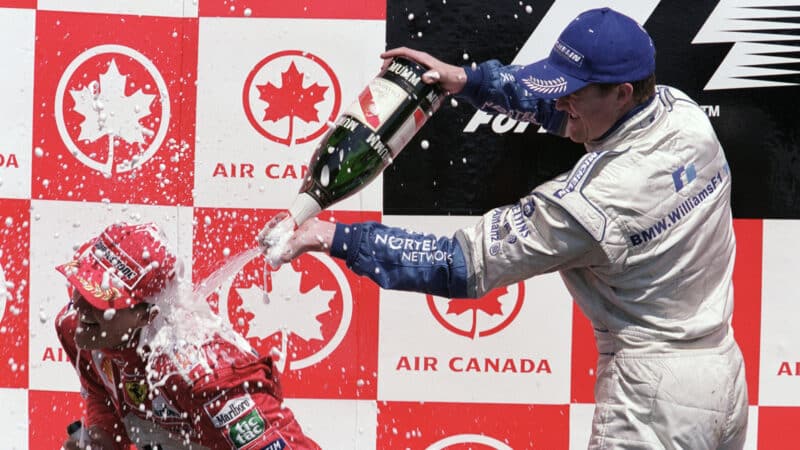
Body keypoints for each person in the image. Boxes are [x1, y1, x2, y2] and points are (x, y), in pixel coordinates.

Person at [260, 7, 748, 449]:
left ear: (621, 93)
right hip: (722, 374)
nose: (561, 104)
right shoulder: (678, 112)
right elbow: (557, 110)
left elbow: (460, 265)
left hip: (653, 401)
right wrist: (465, 80)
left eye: (575, 94)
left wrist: (333, 237)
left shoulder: (593, 203)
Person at [57, 222, 320, 450]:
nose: (79, 306)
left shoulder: (203, 376)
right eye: (80, 286)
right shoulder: (78, 328)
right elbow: (102, 393)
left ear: (146, 316)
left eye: (100, 300)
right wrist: (102, 438)